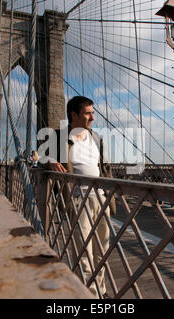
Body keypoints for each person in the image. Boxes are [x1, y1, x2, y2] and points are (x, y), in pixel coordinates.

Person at [47, 96, 116, 298]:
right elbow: (41, 160)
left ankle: (100, 291)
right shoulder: (58, 137)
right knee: (83, 252)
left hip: (100, 198)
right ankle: (89, 295)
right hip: (78, 200)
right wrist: (50, 162)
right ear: (73, 115)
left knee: (102, 251)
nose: (92, 117)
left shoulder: (96, 138)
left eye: (92, 113)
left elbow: (104, 168)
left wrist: (111, 196)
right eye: (88, 113)